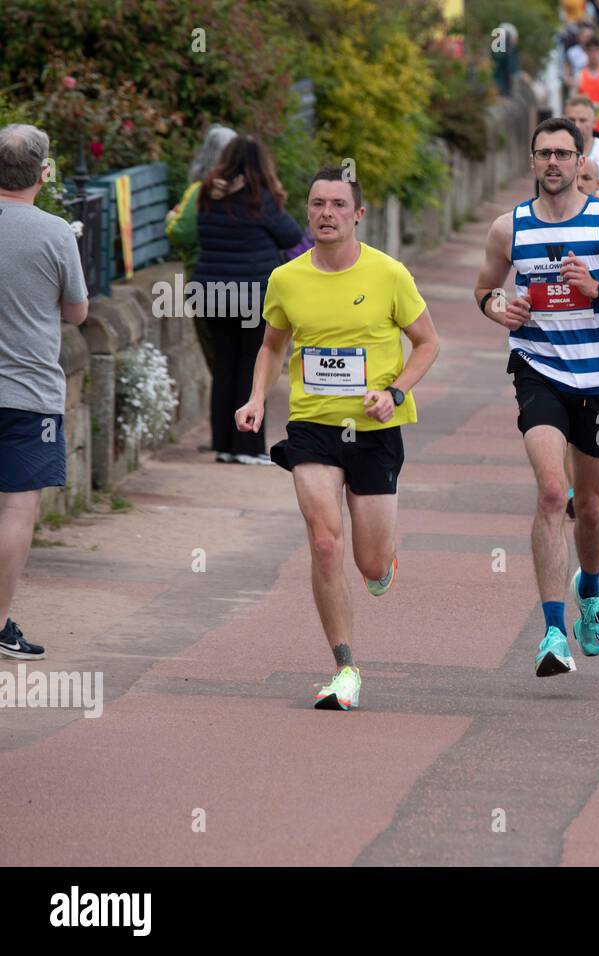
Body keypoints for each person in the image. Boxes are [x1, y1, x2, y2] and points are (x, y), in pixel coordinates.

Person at [234, 167, 438, 710]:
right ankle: (344, 669)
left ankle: (384, 563)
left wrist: (394, 393)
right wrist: (257, 398)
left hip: (374, 427)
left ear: (358, 215)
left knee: (369, 564)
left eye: (338, 204)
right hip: (312, 425)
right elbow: (273, 345)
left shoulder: (389, 274)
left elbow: (426, 343)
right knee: (325, 542)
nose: (326, 213)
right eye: (317, 203)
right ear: (307, 211)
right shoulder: (287, 279)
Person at [474, 117, 599, 676]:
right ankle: (554, 631)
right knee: (554, 493)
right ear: (531, 162)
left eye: (563, 154)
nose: (553, 163)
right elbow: (485, 287)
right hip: (537, 370)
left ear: (583, 162)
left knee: (592, 505)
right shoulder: (509, 229)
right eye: (543, 154)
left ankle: (592, 589)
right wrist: (496, 308)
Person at [0, 124, 89, 662]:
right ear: (43, 173)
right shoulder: (56, 233)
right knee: (16, 509)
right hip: (28, 391)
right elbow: (77, 311)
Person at [192, 134, 303, 464]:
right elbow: (291, 235)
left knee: (224, 368)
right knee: (252, 368)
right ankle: (249, 447)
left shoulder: (207, 194)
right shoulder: (260, 198)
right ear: (261, 163)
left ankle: (223, 444)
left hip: (212, 293)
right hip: (252, 295)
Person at [165, 123, 236, 377]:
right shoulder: (249, 191)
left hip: (204, 279)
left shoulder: (200, 191)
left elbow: (182, 233)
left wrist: (170, 218)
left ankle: (227, 412)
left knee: (218, 361)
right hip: (249, 287)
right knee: (245, 367)